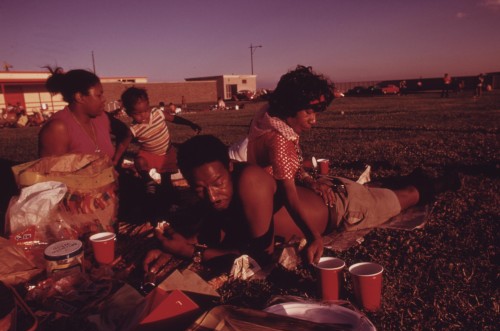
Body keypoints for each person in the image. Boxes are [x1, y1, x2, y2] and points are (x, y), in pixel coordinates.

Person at [143, 135, 460, 272]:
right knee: (390, 190)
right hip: (328, 199)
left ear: (229, 168)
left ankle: (442, 180)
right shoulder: (217, 190)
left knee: (406, 199)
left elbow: (261, 257)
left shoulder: (248, 182)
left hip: (344, 208)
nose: (212, 197)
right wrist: (175, 244)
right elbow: (214, 230)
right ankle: (408, 179)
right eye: (200, 190)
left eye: (216, 184)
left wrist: (189, 252)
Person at [246, 65, 460, 263]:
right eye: (308, 112)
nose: (314, 120)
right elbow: (289, 195)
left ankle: (445, 182)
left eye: (316, 112)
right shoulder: (279, 140)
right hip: (342, 205)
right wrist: (314, 236)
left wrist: (310, 182)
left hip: (334, 198)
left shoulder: (264, 119)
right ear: (289, 106)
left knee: (401, 196)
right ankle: (438, 180)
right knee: (392, 196)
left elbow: (285, 175)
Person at [113, 87, 201, 220]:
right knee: (139, 160)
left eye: (145, 110)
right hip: (149, 153)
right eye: (138, 113)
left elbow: (174, 118)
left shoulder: (157, 113)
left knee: (166, 181)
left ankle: (170, 202)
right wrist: (115, 161)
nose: (144, 115)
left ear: (149, 106)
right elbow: (123, 145)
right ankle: (148, 181)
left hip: (166, 153)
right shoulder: (133, 129)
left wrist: (190, 123)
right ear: (129, 113)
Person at [38, 67, 127, 159]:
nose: (104, 99)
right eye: (99, 95)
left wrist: (116, 162)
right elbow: (50, 172)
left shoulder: (102, 118)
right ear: (80, 97)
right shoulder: (58, 128)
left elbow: (125, 133)